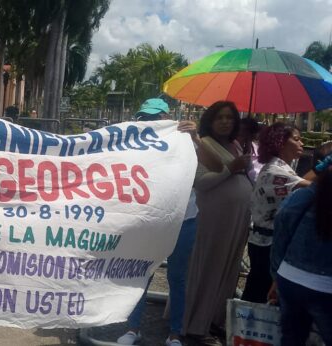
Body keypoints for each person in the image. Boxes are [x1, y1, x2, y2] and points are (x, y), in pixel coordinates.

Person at [117, 99, 222, 346]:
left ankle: (175, 333)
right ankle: (133, 329)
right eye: (145, 118)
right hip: (149, 220)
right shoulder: (136, 143)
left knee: (177, 277)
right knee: (140, 273)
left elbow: (217, 166)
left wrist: (196, 138)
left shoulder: (186, 140)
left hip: (184, 219)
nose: (150, 122)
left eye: (155, 117)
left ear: (166, 117)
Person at [182, 101, 252, 346]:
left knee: (228, 268)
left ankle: (214, 319)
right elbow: (201, 182)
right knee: (209, 267)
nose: (225, 122)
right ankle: (195, 324)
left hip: (236, 218)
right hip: (214, 217)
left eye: (230, 118)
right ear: (210, 120)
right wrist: (231, 169)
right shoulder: (203, 143)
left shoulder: (236, 145)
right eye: (220, 117)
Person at [270, 141, 332, 345]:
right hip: (325, 287)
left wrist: (277, 274)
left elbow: (282, 228)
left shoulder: (306, 194)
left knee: (291, 339)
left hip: (290, 279)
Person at [243, 123, 310, 303]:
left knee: (259, 292)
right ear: (280, 142)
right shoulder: (275, 172)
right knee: (259, 296)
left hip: (268, 242)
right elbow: (315, 188)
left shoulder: (281, 168)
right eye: (296, 139)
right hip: (268, 244)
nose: (302, 143)